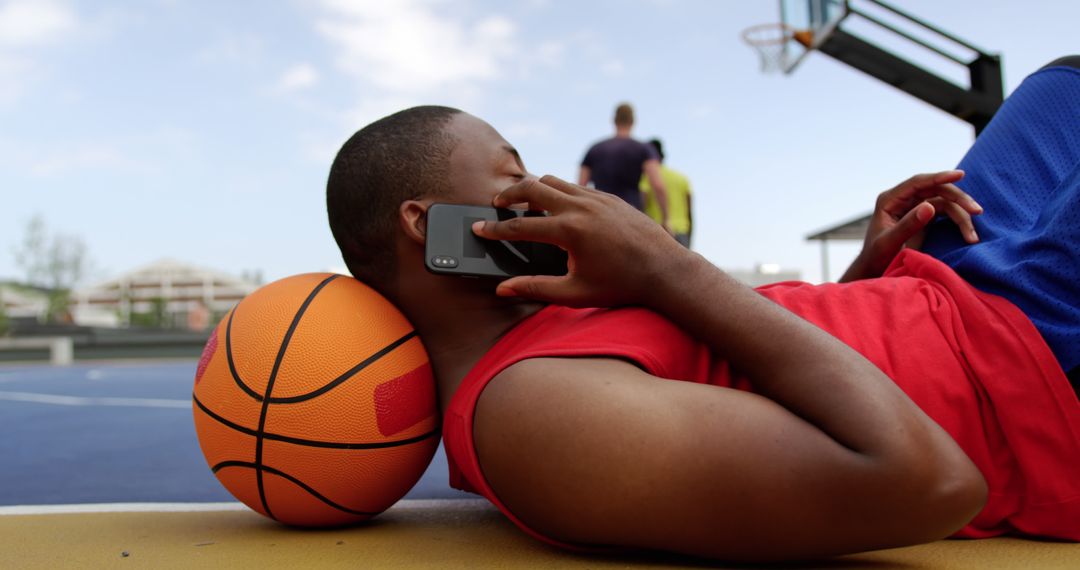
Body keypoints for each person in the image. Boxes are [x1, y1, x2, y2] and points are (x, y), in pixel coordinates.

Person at [325, 59, 1080, 561]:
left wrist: (863, 277)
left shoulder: (560, 318)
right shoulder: (525, 411)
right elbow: (931, 483)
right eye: (511, 172)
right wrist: (663, 262)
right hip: (1032, 359)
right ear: (426, 226)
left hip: (958, 282)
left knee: (1060, 86)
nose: (541, 183)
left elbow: (762, 364)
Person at [579, 103, 670, 227]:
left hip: (600, 215)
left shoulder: (594, 149)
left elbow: (580, 187)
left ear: (614, 120)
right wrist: (666, 219)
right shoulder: (644, 149)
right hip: (631, 215)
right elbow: (658, 185)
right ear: (633, 121)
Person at [640, 138, 693, 247]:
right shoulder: (681, 178)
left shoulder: (648, 177)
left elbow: (641, 206)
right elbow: (689, 213)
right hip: (681, 232)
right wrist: (689, 239)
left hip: (658, 233)